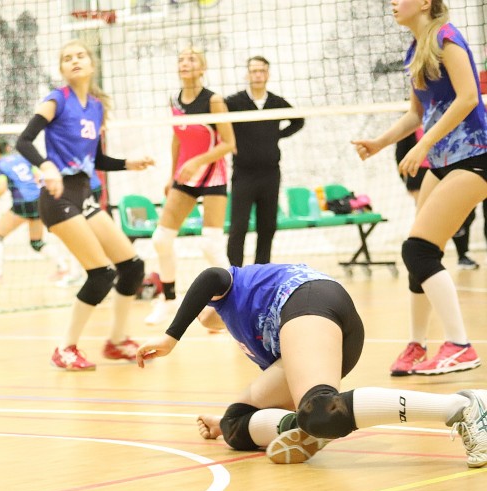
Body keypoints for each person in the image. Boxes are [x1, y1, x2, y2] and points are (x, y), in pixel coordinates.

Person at [136, 263, 487, 467]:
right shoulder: (237, 326)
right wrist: (221, 426)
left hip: (307, 299)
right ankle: (300, 428)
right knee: (236, 423)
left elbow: (211, 277)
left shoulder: (230, 292)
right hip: (321, 326)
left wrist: (170, 337)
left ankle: (463, 406)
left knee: (321, 411)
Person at [353, 1, 486, 376]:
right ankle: (416, 345)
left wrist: (423, 144)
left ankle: (460, 346)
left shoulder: (447, 38)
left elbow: (469, 97)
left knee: (418, 250)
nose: (393, 3)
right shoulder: (416, 49)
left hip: (475, 155)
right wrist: (380, 143)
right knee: (419, 253)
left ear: (426, 2)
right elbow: (416, 113)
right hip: (442, 161)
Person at [16, 39, 154, 371]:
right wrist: (46, 166)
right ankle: (65, 348)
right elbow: (23, 141)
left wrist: (127, 163)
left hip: (84, 195)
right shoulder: (57, 100)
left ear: (91, 65)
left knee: (132, 267)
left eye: (80, 56)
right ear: (62, 69)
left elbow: (96, 158)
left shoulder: (96, 107)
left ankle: (117, 341)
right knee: (101, 274)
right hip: (58, 197)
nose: (74, 61)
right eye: (67, 58)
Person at [146, 46, 235, 326]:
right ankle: (169, 299)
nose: (185, 63)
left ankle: (234, 304)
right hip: (185, 176)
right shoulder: (174, 100)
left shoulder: (214, 101)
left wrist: (197, 162)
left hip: (212, 175)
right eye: (181, 59)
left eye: (192, 59)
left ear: (202, 68)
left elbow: (229, 144)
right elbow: (177, 139)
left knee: (210, 245)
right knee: (161, 239)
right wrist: (172, 175)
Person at [224, 56, 304, 267]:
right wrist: (228, 141)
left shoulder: (276, 102)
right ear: (247, 74)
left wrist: (277, 135)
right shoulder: (233, 102)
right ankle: (234, 275)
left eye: (262, 71)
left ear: (267, 74)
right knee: (238, 227)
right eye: (254, 71)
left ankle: (261, 272)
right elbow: (215, 123)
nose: (258, 75)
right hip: (243, 174)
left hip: (270, 174)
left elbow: (299, 120)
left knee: (267, 227)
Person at [0, 138, 69, 283]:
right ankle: (63, 268)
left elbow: (2, 187)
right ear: (8, 148)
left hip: (23, 204)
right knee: (36, 243)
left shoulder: (0, 165)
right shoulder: (23, 159)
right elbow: (39, 178)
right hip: (39, 201)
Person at [396, 129, 481, 270]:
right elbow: (401, 154)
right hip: (420, 173)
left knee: (461, 217)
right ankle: (433, 257)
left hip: (453, 167)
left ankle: (462, 255)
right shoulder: (415, 125)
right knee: (423, 228)